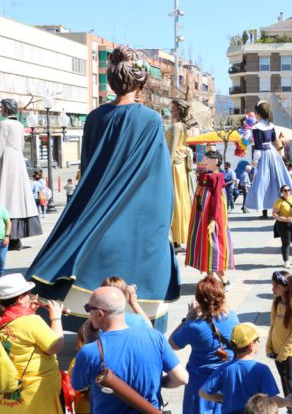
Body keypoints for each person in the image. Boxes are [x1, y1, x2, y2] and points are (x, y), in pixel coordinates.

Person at [27, 46, 179, 331]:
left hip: (94, 202)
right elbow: (157, 174)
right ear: (139, 83)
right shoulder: (149, 119)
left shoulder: (95, 117)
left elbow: (88, 166)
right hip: (138, 207)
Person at [71, 286, 188, 413]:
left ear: (99, 313)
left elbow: (79, 386)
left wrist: (90, 342)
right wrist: (158, 382)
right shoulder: (155, 337)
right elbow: (181, 378)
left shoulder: (89, 351)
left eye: (88, 308)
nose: (88, 312)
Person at [169, 276, 240, 414]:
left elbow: (172, 343)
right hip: (226, 381)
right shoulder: (233, 317)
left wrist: (187, 318)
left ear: (199, 300)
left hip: (200, 384)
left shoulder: (195, 326)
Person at [0, 273, 64, 413]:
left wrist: (27, 312)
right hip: (35, 393)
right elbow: (55, 346)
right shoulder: (31, 321)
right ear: (20, 298)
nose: (31, 295)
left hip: (7, 390)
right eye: (28, 293)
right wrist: (56, 318)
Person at [200, 322, 292, 414]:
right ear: (251, 345)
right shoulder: (262, 369)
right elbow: (272, 400)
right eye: (258, 340)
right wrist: (288, 401)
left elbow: (203, 392)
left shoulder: (224, 368)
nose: (259, 342)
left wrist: (222, 398)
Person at [187, 150, 235, 291]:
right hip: (203, 217)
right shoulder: (206, 175)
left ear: (216, 162)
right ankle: (211, 281)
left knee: (213, 245)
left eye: (208, 159)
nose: (204, 161)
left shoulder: (217, 177)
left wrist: (213, 219)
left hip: (212, 217)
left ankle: (224, 281)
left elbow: (215, 200)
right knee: (207, 246)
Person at [0, 98, 42, 252]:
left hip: (7, 162)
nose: (1, 109)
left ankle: (9, 237)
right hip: (18, 162)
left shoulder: (4, 124)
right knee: (18, 198)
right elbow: (22, 145)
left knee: (6, 196)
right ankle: (16, 239)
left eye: (2, 107)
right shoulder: (19, 125)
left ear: (6, 108)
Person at [245, 101, 292, 217]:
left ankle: (264, 211)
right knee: (277, 180)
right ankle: (281, 207)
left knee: (262, 182)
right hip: (273, 154)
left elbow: (258, 147)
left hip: (263, 154)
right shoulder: (271, 125)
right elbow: (274, 140)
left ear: (258, 113)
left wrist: (254, 160)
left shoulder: (256, 127)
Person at [266, 271, 292, 414]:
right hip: (276, 350)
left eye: (276, 286)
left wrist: (284, 352)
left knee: (291, 383)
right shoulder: (276, 302)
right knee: (283, 381)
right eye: (273, 285)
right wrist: (268, 346)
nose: (273, 289)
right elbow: (272, 326)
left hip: (289, 352)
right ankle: (290, 410)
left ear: (286, 287)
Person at [168, 99, 192, 251]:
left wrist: (166, 165)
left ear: (178, 110)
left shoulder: (177, 126)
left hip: (174, 166)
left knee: (175, 201)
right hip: (180, 165)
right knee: (180, 200)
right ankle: (178, 237)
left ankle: (176, 239)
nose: (171, 111)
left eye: (173, 108)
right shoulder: (183, 126)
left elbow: (172, 148)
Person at [0, 205, 9, 276]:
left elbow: (8, 223)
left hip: (2, 239)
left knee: (2, 259)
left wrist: (7, 236)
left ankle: (1, 275)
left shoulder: (2, 209)